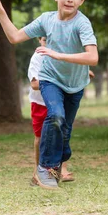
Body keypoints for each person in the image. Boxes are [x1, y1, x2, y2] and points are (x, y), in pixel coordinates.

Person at [0, 0, 98, 190]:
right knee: (56, 116)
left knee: (65, 130)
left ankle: (57, 162)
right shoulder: (46, 20)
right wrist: (0, 9)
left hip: (75, 85)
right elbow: (14, 36)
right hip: (50, 79)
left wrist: (59, 55)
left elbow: (93, 57)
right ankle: (44, 169)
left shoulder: (82, 23)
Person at [27, 37, 73, 184]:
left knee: (61, 133)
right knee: (40, 137)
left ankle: (62, 169)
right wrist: (54, 84)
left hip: (59, 101)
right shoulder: (37, 58)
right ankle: (38, 169)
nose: (48, 43)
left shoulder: (59, 54)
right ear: (39, 40)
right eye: (45, 40)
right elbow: (34, 84)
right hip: (40, 102)